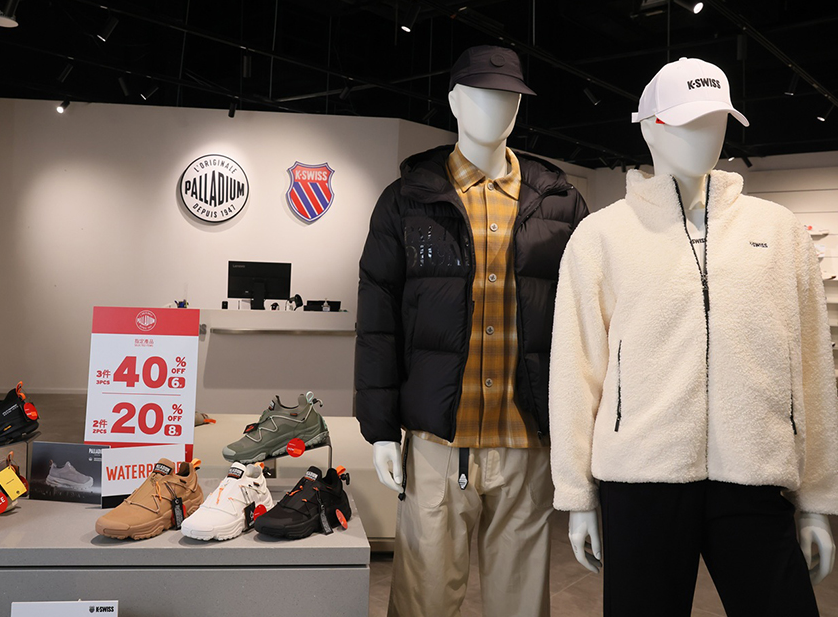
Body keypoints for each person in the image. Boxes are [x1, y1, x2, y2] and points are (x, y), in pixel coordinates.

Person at [550, 57, 838, 616]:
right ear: (649, 128)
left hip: (755, 473)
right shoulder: (601, 236)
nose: (706, 136)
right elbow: (575, 372)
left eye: (716, 120)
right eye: (688, 122)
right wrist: (577, 494)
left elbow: (812, 373)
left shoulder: (778, 231)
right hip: (641, 477)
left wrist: (817, 499)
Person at [355, 45, 588, 617]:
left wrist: (581, 437)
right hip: (438, 439)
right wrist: (380, 430)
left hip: (526, 440)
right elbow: (378, 321)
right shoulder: (406, 200)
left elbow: (585, 326)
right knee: (424, 599)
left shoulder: (560, 203)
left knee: (520, 603)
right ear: (454, 100)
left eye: (509, 97)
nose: (497, 107)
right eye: (481, 95)